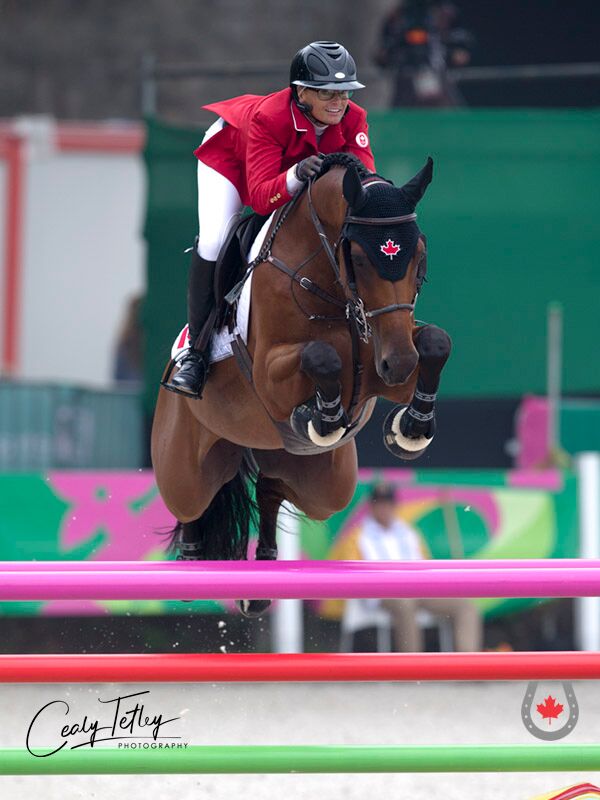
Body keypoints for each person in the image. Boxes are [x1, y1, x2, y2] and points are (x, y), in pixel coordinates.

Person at [163, 41, 375, 398]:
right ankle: (195, 353)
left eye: (343, 92)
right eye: (327, 93)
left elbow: (364, 180)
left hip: (285, 166)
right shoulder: (270, 116)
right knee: (216, 238)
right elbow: (261, 199)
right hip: (230, 156)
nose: (339, 102)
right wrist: (294, 175)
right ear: (301, 92)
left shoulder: (354, 117)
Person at [359, 483, 483, 652]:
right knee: (406, 605)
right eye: (379, 503)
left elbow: (423, 565)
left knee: (465, 606)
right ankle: (413, 672)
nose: (384, 508)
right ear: (371, 507)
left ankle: (469, 667)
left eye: (388, 503)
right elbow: (363, 575)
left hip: (416, 589)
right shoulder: (359, 535)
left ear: (394, 506)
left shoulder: (408, 531)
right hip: (384, 593)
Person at [373, 0, 472, 108]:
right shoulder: (399, 14)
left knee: (448, 109)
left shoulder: (446, 13)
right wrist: (386, 54)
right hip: (406, 75)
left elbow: (461, 40)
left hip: (438, 73)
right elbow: (386, 46)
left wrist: (458, 51)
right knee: (403, 110)